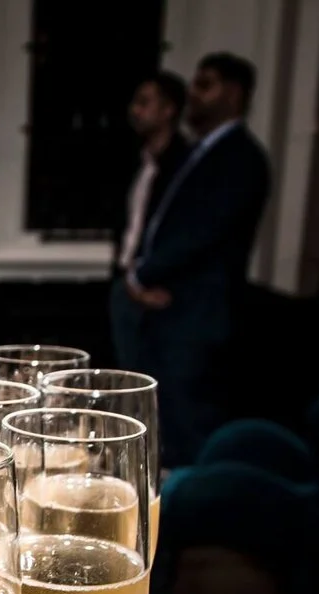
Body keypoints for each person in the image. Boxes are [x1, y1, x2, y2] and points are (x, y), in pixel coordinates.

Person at [125, 52, 272, 467]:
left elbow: (201, 234)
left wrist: (141, 272)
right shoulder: (199, 153)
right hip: (170, 311)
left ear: (234, 93)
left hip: (198, 316)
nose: (193, 94)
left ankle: (193, 516)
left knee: (190, 428)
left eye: (205, 85)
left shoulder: (241, 157)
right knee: (164, 425)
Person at [109, 71, 192, 372]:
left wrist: (147, 281)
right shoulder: (135, 159)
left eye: (145, 102)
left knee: (157, 387)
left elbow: (185, 235)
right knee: (126, 377)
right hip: (126, 284)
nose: (135, 110)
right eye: (135, 102)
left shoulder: (186, 166)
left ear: (169, 110)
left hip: (160, 294)